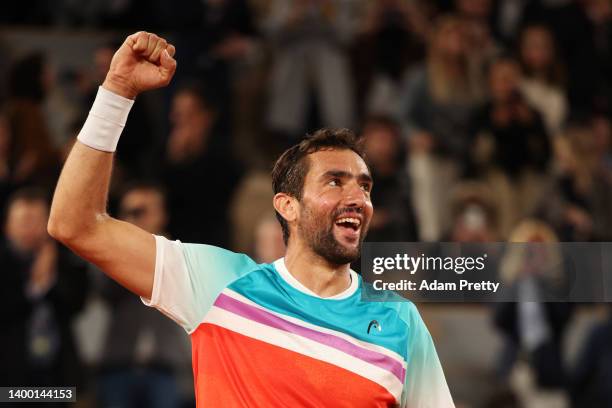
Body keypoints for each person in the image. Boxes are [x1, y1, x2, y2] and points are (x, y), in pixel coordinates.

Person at [48, 31, 454, 407]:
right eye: (335, 182)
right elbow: (75, 224)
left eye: (364, 186)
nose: (357, 199)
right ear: (286, 205)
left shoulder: (400, 321)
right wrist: (117, 92)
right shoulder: (221, 284)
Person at [96, 182, 188, 408]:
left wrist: (149, 241)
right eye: (131, 212)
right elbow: (106, 291)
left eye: (144, 211)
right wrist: (126, 241)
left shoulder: (180, 254)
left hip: (166, 367)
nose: (138, 218)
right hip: (119, 364)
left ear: (162, 214)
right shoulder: (109, 255)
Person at [0, 188, 89, 395]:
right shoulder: (3, 264)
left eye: (36, 220)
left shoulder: (66, 261)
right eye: (24, 220)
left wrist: (50, 281)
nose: (30, 228)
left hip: (57, 374)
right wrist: (36, 287)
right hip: (8, 373)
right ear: (7, 226)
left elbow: (77, 305)